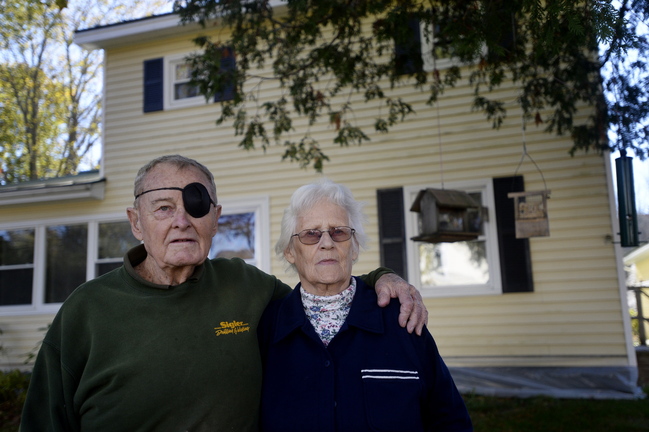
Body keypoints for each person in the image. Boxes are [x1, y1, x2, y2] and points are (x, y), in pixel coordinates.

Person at [20, 155, 427, 432]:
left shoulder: (244, 286)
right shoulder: (87, 311)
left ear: (215, 219)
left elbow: (322, 288)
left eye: (196, 207)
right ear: (136, 222)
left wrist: (384, 277)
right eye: (162, 207)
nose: (181, 220)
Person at [258, 179, 472, 432]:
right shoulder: (266, 328)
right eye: (311, 234)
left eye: (339, 231)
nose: (326, 243)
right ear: (290, 252)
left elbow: (449, 419)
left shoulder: (401, 316)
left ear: (355, 247)